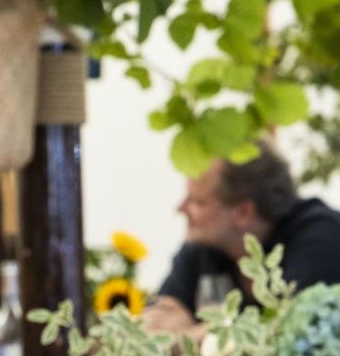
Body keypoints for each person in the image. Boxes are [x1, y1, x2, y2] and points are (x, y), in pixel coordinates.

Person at [143, 139, 340, 335]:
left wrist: (189, 337)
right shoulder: (205, 244)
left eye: (198, 202)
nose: (180, 209)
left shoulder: (321, 239)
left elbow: (291, 336)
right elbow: (156, 319)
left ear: (243, 213)